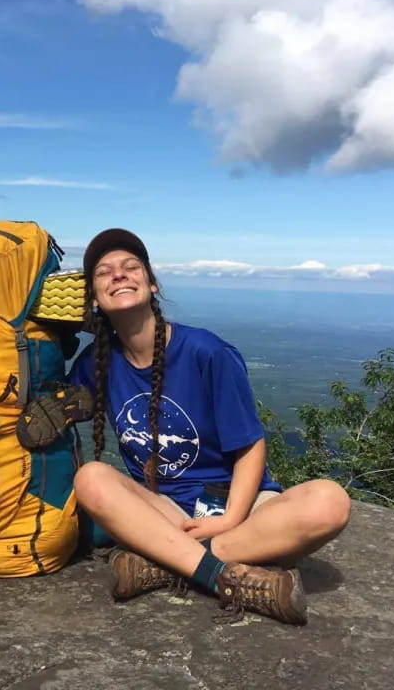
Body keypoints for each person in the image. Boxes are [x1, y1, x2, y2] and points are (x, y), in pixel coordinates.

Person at [68, 228, 351, 625]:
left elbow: (250, 447)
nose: (119, 275)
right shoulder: (94, 363)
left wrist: (231, 517)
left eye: (131, 267)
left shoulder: (207, 353)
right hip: (163, 511)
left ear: (151, 283)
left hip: (239, 507)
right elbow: (49, 412)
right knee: (92, 478)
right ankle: (221, 575)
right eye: (104, 272)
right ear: (94, 299)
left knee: (329, 501)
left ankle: (167, 562)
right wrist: (49, 336)